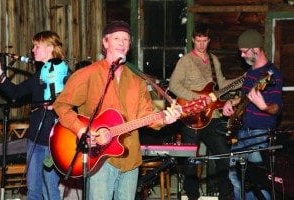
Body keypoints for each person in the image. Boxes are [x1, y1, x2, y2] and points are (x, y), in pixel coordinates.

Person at [52, 20, 181, 200]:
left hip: (131, 159)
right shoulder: (88, 74)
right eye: (116, 38)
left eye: (126, 39)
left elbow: (146, 115)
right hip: (98, 157)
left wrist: (165, 119)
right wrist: (80, 129)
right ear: (105, 43)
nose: (122, 42)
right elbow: (61, 105)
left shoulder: (138, 80)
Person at [0, 30, 70, 200]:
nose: (33, 50)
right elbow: (15, 93)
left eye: (37, 46)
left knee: (51, 190)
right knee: (33, 191)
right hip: (35, 140)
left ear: (50, 47)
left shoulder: (66, 74)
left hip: (55, 141)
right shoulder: (39, 76)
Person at [169, 22, 238, 200]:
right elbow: (174, 85)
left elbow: (221, 84)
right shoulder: (185, 61)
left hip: (212, 116)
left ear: (209, 40)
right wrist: (196, 98)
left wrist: (241, 81)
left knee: (223, 155)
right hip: (192, 116)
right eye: (198, 41)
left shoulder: (214, 61)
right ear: (193, 40)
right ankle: (192, 196)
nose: (201, 45)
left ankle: (226, 195)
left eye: (204, 41)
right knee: (191, 160)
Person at [222, 29, 283, 200]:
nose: (241, 55)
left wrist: (263, 106)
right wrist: (231, 103)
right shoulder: (249, 73)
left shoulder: (273, 74)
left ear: (256, 49)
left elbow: (277, 108)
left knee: (260, 181)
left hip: (260, 134)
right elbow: (244, 97)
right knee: (236, 178)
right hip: (242, 132)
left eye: (244, 51)